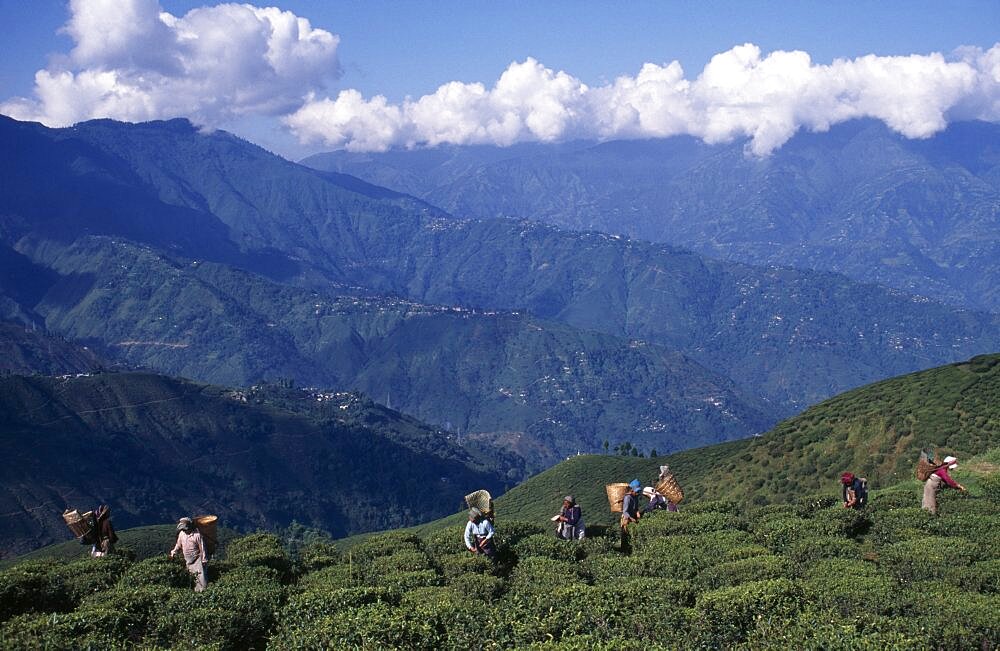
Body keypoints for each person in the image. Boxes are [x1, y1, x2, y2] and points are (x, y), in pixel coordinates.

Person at [171, 517, 208, 592]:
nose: (184, 530)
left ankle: (203, 594)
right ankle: (193, 593)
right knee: (191, 579)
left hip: (198, 561)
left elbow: (203, 548)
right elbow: (178, 544)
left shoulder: (197, 535)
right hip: (187, 561)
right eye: (183, 529)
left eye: (185, 529)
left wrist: (204, 559)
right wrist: (174, 551)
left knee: (201, 579)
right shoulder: (182, 534)